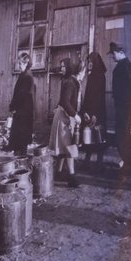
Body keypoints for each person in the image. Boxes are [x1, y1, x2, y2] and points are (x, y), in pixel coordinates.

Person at [50, 57, 81, 188]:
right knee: (69, 146)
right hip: (65, 117)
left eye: (63, 66)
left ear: (70, 68)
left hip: (63, 115)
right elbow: (65, 102)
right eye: (61, 66)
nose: (61, 68)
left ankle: (58, 172)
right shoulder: (70, 82)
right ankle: (71, 177)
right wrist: (75, 116)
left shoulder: (70, 81)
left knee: (64, 146)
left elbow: (64, 101)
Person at [109, 41, 131, 176]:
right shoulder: (124, 66)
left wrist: (127, 110)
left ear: (120, 52)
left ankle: (128, 168)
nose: (112, 57)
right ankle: (126, 165)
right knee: (122, 138)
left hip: (124, 109)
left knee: (122, 138)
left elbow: (129, 91)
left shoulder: (125, 67)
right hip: (122, 108)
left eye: (113, 54)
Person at [80, 51, 108, 171]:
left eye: (91, 62)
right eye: (88, 62)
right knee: (89, 137)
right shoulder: (90, 76)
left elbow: (100, 97)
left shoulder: (101, 77)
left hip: (98, 111)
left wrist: (96, 114)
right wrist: (85, 111)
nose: (89, 64)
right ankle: (86, 161)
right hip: (89, 111)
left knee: (99, 137)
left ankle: (99, 163)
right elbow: (87, 96)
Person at [9, 52, 36, 158]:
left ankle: (21, 160)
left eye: (20, 63)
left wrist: (15, 108)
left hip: (23, 112)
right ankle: (19, 158)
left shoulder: (28, 76)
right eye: (19, 63)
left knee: (22, 137)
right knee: (19, 137)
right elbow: (17, 93)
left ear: (26, 63)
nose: (19, 66)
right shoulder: (23, 75)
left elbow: (24, 95)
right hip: (21, 111)